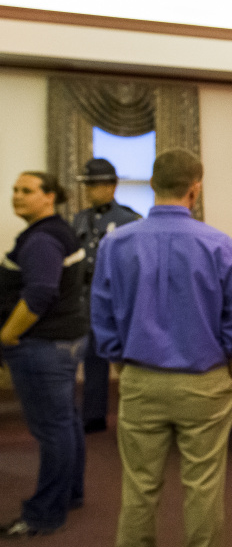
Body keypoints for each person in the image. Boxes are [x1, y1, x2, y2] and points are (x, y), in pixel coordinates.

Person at [90, 149, 232, 547]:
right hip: (205, 381)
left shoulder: (116, 244)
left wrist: (123, 369)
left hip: (141, 377)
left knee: (139, 487)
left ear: (151, 184)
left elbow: (103, 318)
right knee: (203, 486)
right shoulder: (220, 244)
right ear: (195, 190)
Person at [0, 172, 87, 538]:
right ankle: (69, 495)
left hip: (42, 347)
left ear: (49, 197)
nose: (17, 196)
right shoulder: (58, 231)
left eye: (27, 191)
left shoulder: (41, 240)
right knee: (64, 422)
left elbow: (39, 294)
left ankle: (44, 514)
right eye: (15, 190)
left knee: (53, 429)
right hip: (63, 341)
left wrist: (6, 334)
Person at [72, 157, 141, 434]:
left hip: (119, 297)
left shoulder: (129, 220)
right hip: (88, 297)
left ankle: (136, 414)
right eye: (87, 184)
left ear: (112, 186)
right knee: (93, 359)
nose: (89, 190)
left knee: (130, 358)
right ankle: (94, 415)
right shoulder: (79, 219)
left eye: (95, 184)